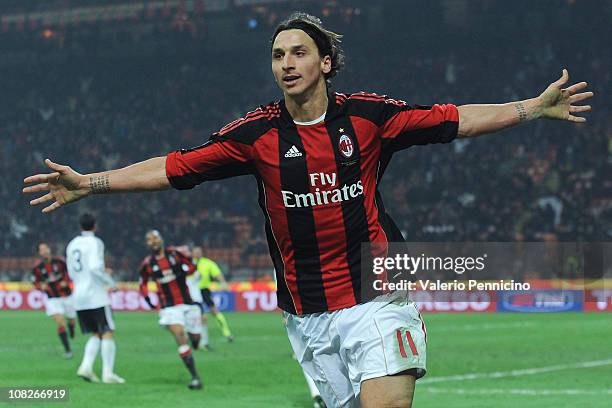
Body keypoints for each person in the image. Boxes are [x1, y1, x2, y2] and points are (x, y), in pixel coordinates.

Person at [23, 12, 593, 407]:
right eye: (277, 55)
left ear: (325, 62)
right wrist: (92, 182)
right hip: (306, 314)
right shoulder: (255, 135)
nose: (286, 63)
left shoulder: (370, 117)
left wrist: (530, 109)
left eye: (299, 52)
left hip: (376, 296)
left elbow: (455, 118)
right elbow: (174, 167)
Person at [139, 230, 203, 390]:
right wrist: (148, 300)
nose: (153, 242)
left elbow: (192, 267)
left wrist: (185, 270)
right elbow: (143, 283)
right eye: (149, 240)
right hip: (169, 307)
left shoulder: (175, 254)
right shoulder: (147, 263)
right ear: (146, 244)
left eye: (155, 238)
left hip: (188, 304)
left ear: (161, 240)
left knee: (195, 339)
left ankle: (194, 344)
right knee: (180, 335)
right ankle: (195, 377)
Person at [66, 213, 125, 384]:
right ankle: (108, 374)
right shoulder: (95, 242)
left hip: (79, 295)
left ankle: (86, 366)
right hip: (96, 294)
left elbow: (71, 271)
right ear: (95, 225)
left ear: (80, 226)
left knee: (96, 333)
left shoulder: (72, 244)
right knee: (107, 331)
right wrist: (110, 282)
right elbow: (95, 267)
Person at [32, 242, 76, 359]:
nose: (45, 251)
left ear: (49, 249)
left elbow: (69, 273)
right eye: (42, 250)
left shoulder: (60, 262)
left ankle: (71, 328)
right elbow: (35, 282)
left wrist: (67, 282)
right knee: (60, 321)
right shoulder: (37, 268)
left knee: (71, 320)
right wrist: (40, 286)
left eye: (46, 248)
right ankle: (68, 350)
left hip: (67, 296)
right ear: (39, 253)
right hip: (52, 298)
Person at [192, 246, 234, 342]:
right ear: (192, 253)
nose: (197, 254)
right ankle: (197, 337)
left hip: (204, 290)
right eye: (195, 252)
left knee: (214, 311)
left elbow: (217, 274)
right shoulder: (188, 263)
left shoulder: (208, 263)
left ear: (201, 253)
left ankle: (226, 332)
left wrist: (224, 283)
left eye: (199, 252)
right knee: (197, 315)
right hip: (192, 292)